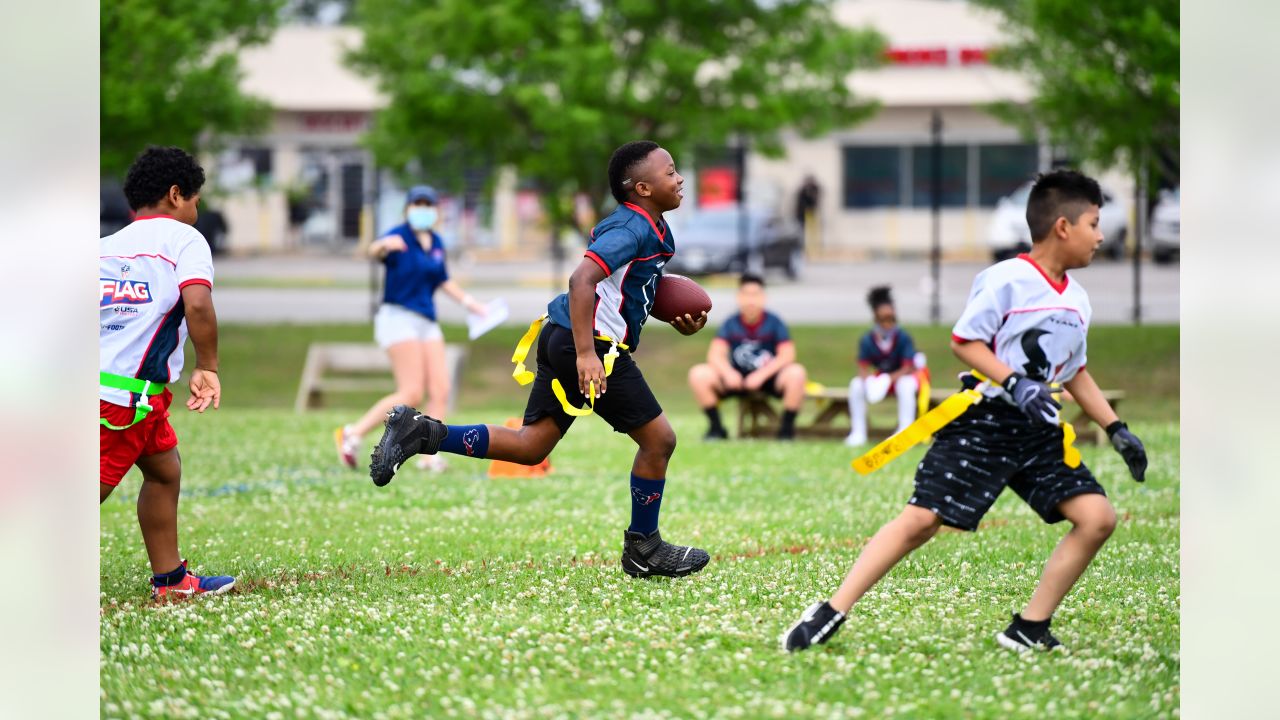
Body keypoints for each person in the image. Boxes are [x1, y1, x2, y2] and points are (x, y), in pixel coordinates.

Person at [782, 169, 1149, 653]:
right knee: (921, 522)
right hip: (985, 423)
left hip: (1039, 432)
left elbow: (1075, 371)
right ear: (1063, 226)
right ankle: (831, 610)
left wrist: (1116, 428)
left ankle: (1029, 627)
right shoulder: (1006, 280)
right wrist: (1014, 382)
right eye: (1094, 224)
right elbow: (965, 342)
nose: (1102, 236)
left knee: (1098, 517)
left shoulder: (1078, 301)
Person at [367, 141, 712, 579]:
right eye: (670, 171)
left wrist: (675, 319)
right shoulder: (631, 228)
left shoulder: (653, 227)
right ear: (642, 187)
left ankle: (423, 432)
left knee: (532, 447)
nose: (679, 178)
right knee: (659, 440)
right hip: (587, 345)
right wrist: (588, 354)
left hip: (565, 336)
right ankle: (644, 547)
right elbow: (582, 279)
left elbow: (627, 290)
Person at [99, 146, 234, 600]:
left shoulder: (104, 248)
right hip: (123, 400)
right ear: (177, 195)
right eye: (197, 200)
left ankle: (172, 582)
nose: (198, 210)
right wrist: (209, 366)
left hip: (131, 396)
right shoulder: (184, 239)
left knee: (164, 471)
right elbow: (197, 302)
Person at [334, 185, 488, 473]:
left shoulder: (437, 242)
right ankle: (352, 434)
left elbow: (442, 279)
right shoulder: (398, 237)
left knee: (440, 388)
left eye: (428, 204)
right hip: (398, 316)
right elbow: (372, 250)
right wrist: (382, 246)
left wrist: (472, 304)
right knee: (411, 391)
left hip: (426, 320)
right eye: (417, 204)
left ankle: (431, 455)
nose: (423, 210)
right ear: (407, 209)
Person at [687, 273, 808, 440]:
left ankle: (786, 431)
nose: (751, 300)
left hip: (768, 379)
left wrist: (762, 374)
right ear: (738, 297)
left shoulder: (774, 322)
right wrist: (728, 373)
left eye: (755, 295)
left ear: (764, 297)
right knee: (699, 374)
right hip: (737, 380)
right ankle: (716, 429)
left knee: (797, 373)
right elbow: (715, 354)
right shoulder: (731, 323)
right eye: (746, 294)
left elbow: (787, 355)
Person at [844, 286, 920, 446]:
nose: (888, 324)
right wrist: (869, 381)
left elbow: (908, 367)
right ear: (876, 319)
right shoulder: (867, 339)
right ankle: (858, 432)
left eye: (891, 319)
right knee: (856, 385)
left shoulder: (903, 337)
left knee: (905, 386)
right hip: (881, 379)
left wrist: (887, 379)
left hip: (902, 378)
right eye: (883, 319)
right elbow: (862, 367)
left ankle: (905, 431)